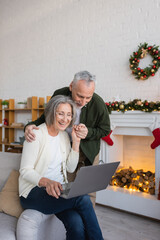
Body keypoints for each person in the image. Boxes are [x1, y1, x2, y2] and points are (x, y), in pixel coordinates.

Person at [19, 95, 104, 240]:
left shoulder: (64, 136)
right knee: (83, 198)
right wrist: (47, 182)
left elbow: (70, 168)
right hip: (34, 193)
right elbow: (25, 170)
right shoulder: (36, 135)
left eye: (69, 115)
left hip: (58, 191)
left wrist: (76, 143)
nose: (65, 119)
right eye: (61, 113)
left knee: (76, 224)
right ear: (51, 112)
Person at [25, 70, 111, 206]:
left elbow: (105, 129)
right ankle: (67, 219)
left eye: (88, 98)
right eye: (80, 96)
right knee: (66, 188)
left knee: (89, 191)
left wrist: (88, 132)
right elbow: (45, 117)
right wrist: (29, 126)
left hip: (89, 151)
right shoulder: (59, 94)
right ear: (71, 86)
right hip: (66, 148)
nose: (83, 102)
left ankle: (86, 219)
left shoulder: (98, 103)